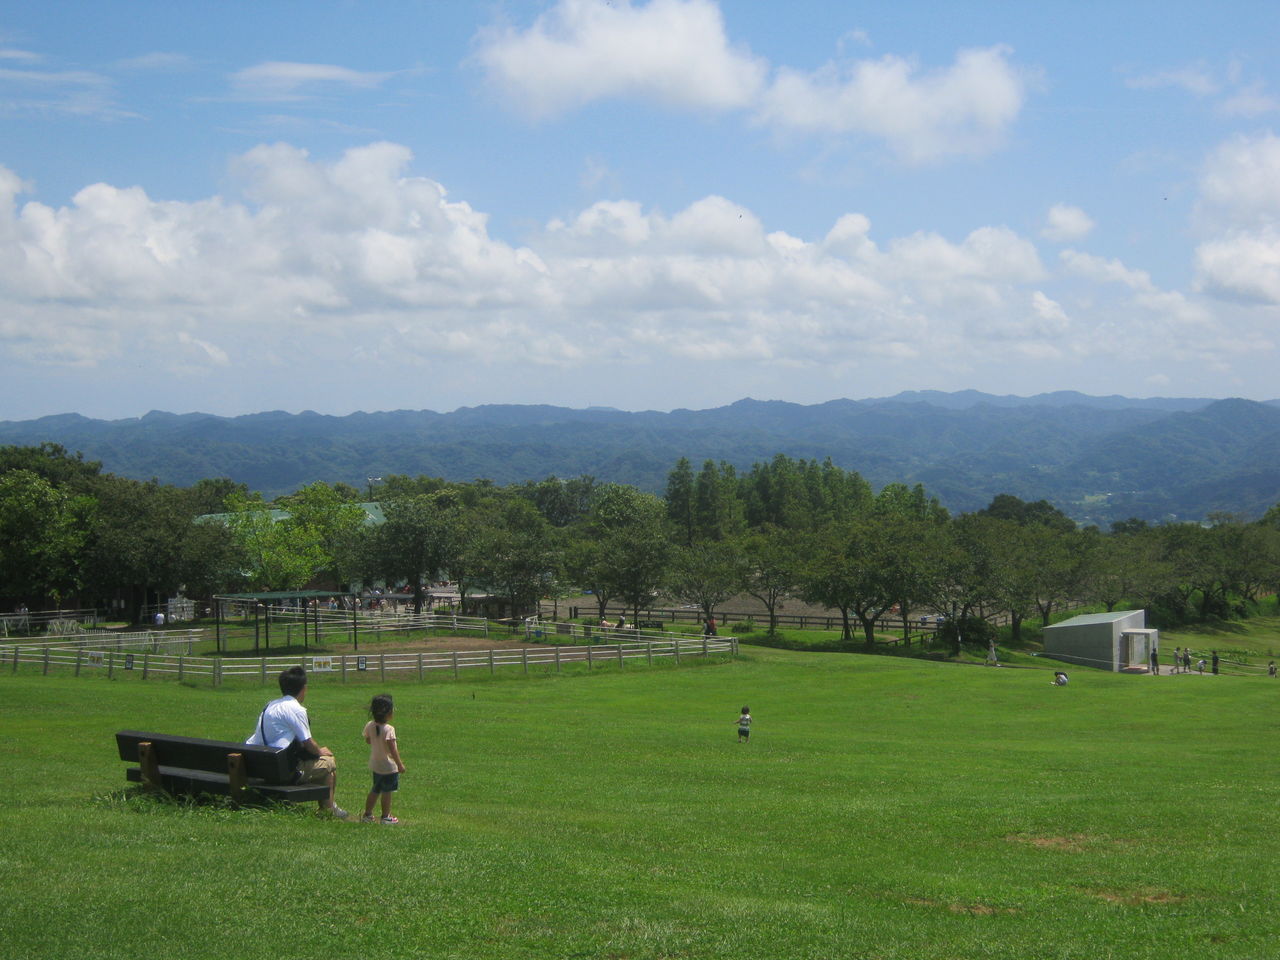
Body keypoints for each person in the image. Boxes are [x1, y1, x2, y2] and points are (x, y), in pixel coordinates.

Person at [246, 666, 347, 818]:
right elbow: (308, 743)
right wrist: (321, 751)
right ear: (304, 688)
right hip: (285, 772)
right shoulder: (296, 709)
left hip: (264, 766)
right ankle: (327, 809)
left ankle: (329, 807)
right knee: (329, 762)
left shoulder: (270, 706)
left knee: (325, 767)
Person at [361, 693, 405, 825]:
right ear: (388, 713)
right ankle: (386, 816)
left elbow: (368, 740)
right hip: (388, 766)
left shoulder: (370, 725)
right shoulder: (389, 729)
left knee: (375, 789)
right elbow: (393, 749)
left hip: (376, 765)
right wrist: (400, 764)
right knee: (387, 792)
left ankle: (367, 814)